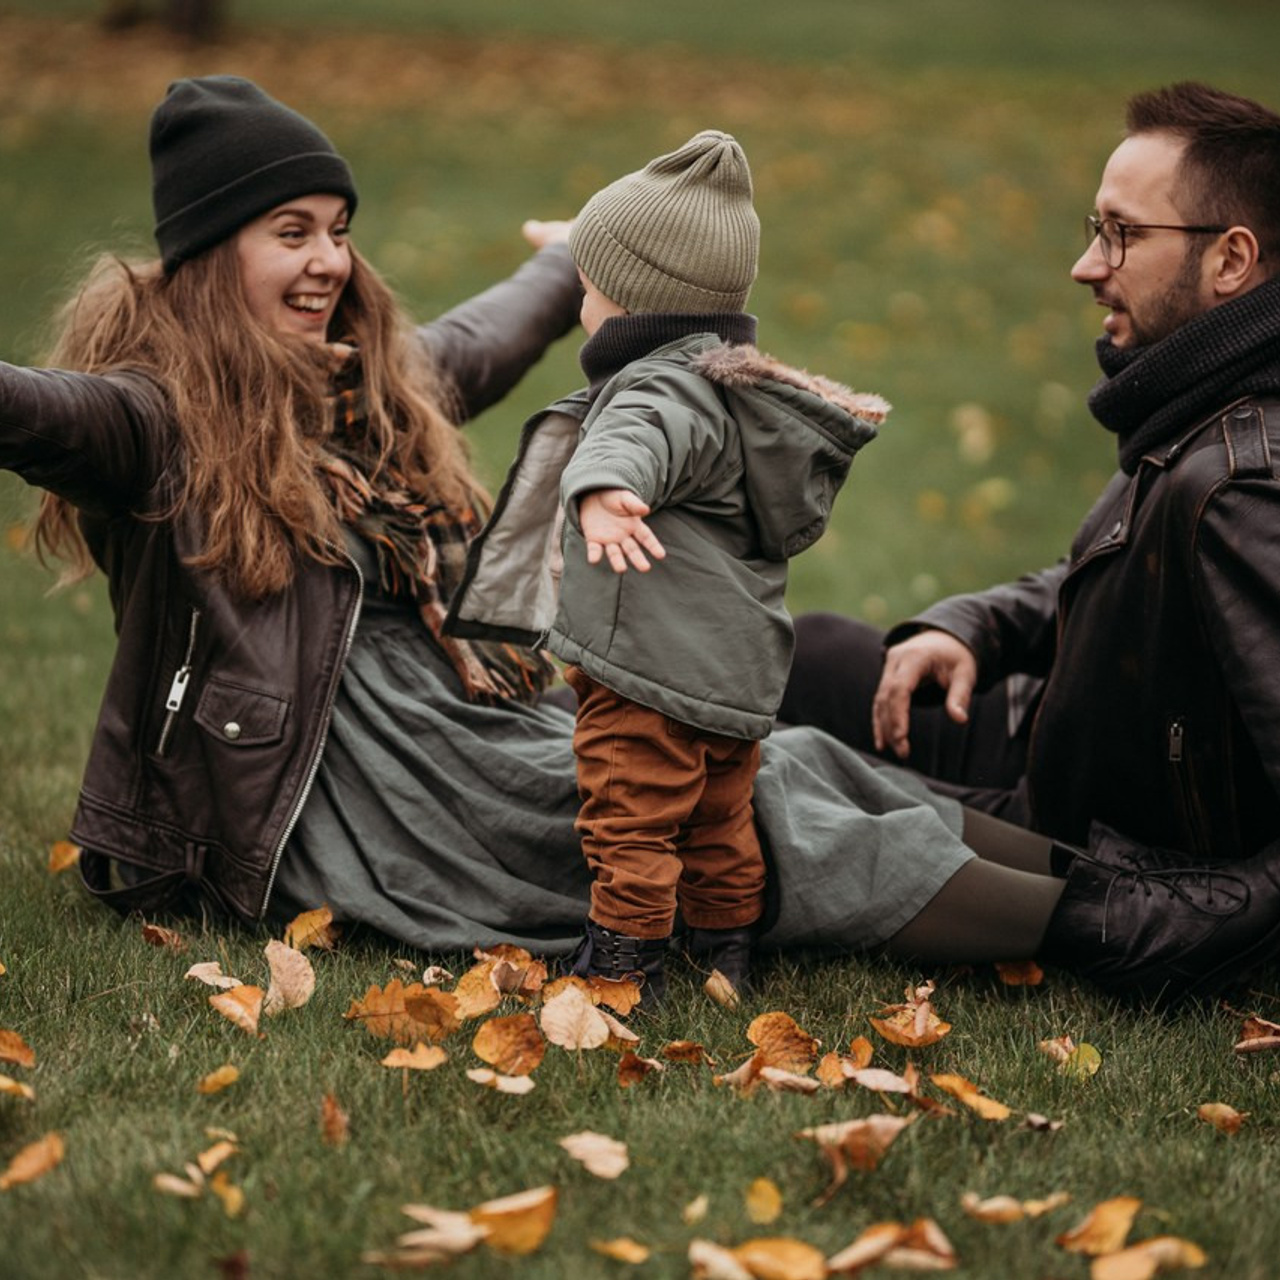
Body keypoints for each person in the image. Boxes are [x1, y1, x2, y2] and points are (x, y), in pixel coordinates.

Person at [4, 76, 1274, 1010]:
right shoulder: (150, 427)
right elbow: (36, 412)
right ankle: (1117, 927)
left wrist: (580, 265)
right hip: (360, 802)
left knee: (784, 755)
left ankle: (1118, 881)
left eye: (338, 227)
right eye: (292, 231)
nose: (332, 259)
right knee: (754, 803)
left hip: (465, 732)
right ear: (201, 260)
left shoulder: (360, 391)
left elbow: (486, 338)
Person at [780, 80, 1280, 997]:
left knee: (778, 781)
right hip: (1033, 737)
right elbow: (1112, 571)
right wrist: (970, 626)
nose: (1087, 266)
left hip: (1081, 841)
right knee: (803, 656)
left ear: (1233, 260)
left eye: (1122, 233)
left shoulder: (1245, 484)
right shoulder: (1199, 398)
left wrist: (1188, 919)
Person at [443, 130, 885, 1002]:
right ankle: (723, 951)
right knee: (719, 822)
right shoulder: (727, 385)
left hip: (645, 674)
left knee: (628, 821)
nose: (580, 308)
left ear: (629, 305)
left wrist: (605, 487)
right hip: (733, 676)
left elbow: (636, 437)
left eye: (587, 290)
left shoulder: (655, 387)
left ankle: (621, 963)